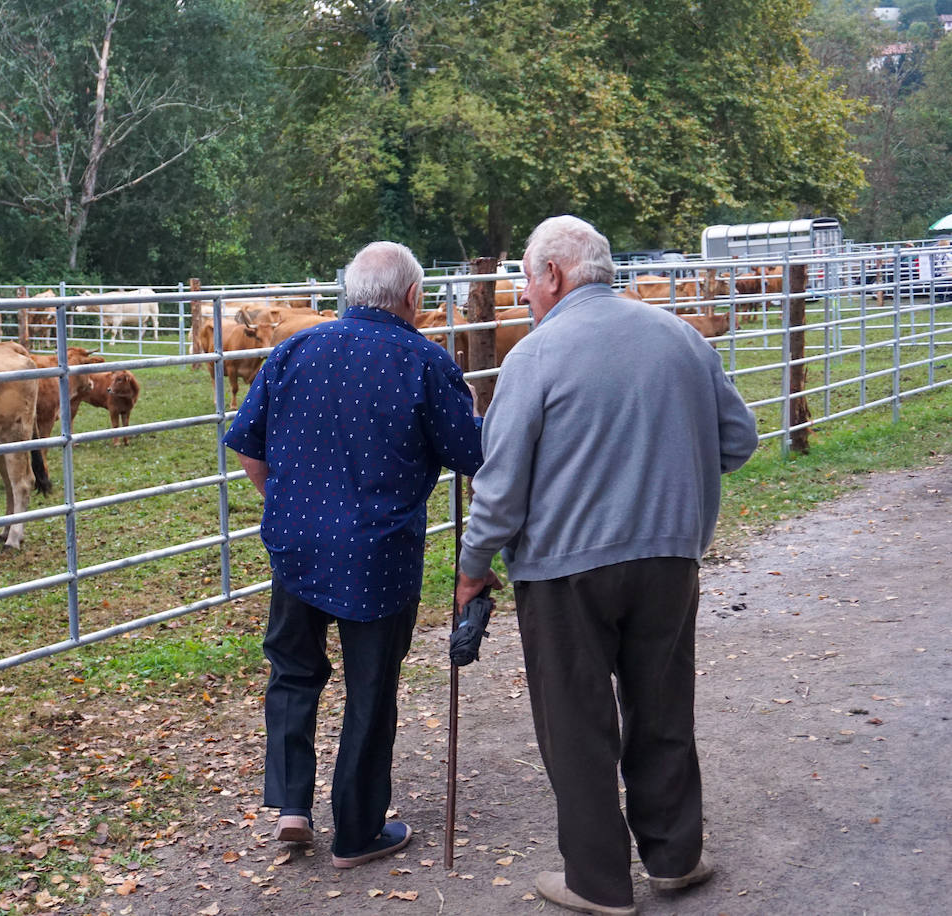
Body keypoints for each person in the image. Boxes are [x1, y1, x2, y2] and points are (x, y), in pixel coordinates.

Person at [456, 216, 759, 915]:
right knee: (662, 706)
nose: (523, 295)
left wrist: (473, 565)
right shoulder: (682, 338)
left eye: (526, 279)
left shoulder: (536, 354)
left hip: (565, 572)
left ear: (553, 274)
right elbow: (739, 440)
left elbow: (500, 486)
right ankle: (674, 857)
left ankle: (598, 883)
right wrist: (668, 468)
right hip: (670, 558)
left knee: (576, 720)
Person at [223, 240, 485, 868]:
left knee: (293, 670)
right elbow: (473, 457)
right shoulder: (425, 361)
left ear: (349, 292)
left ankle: (292, 806)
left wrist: (287, 504)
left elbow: (249, 446)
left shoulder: (294, 349)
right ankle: (356, 832)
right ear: (413, 297)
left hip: (298, 543)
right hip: (379, 552)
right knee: (371, 686)